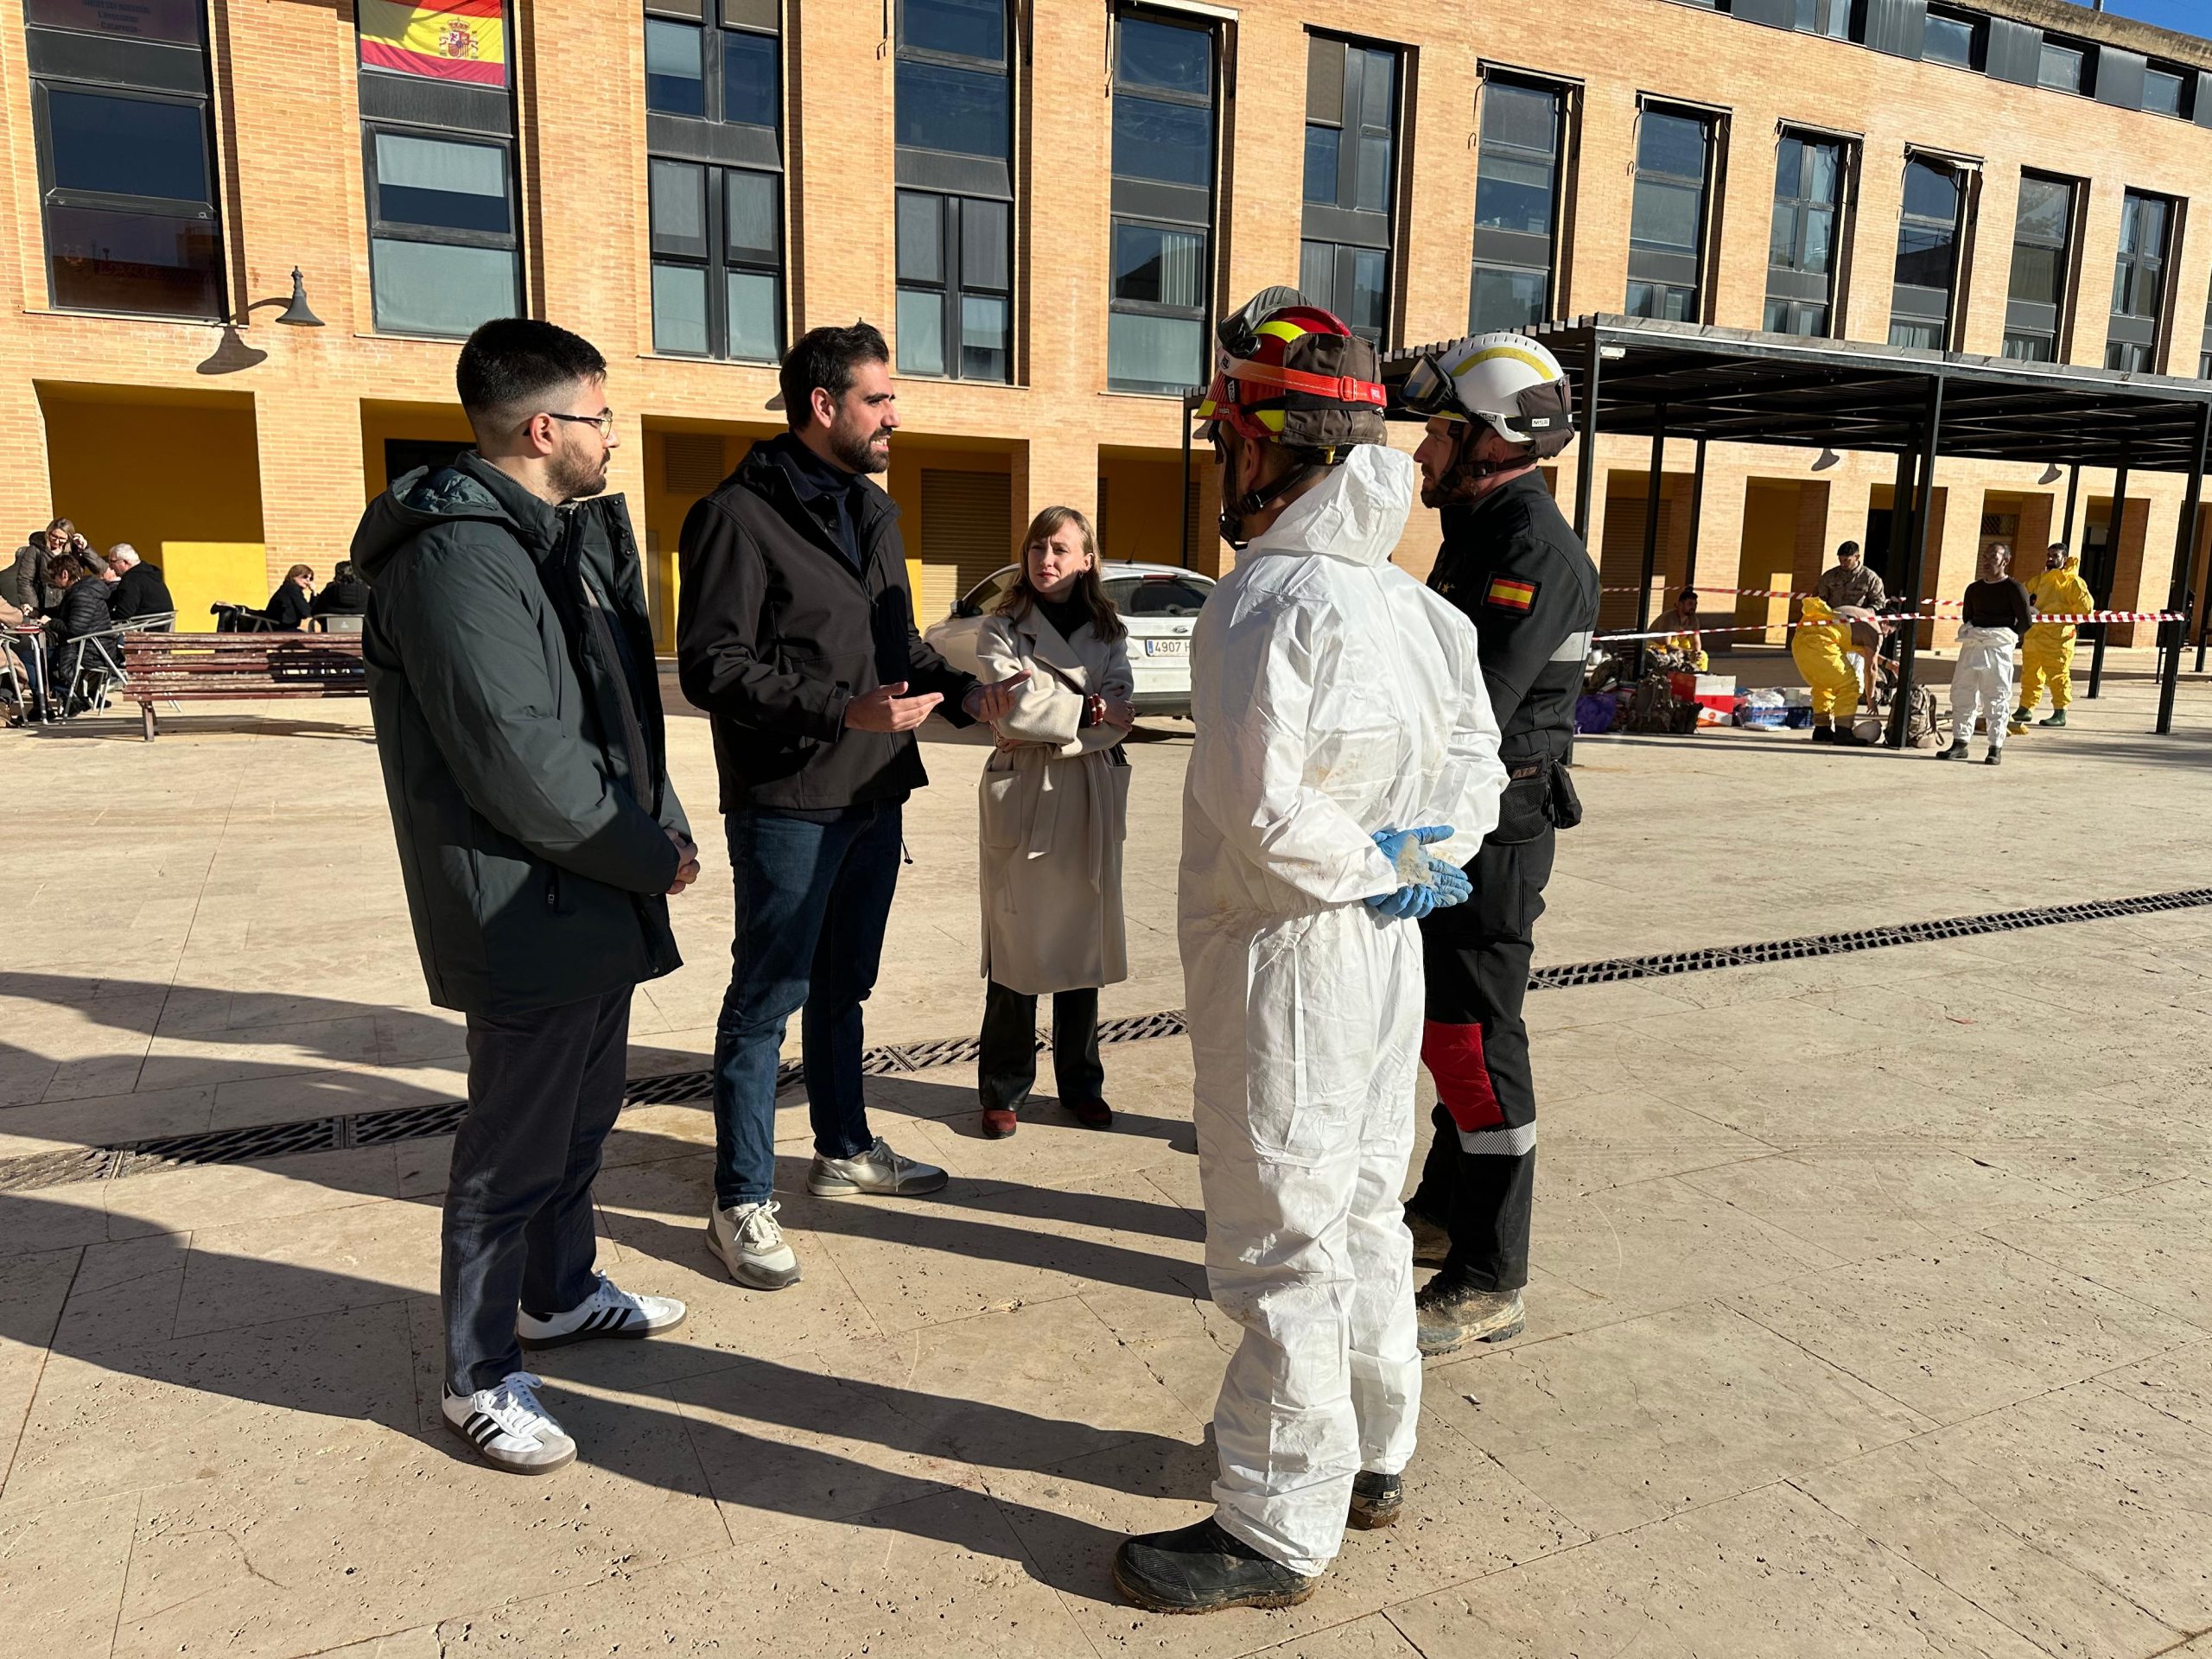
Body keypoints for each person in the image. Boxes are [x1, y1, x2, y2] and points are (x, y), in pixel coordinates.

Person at [1112, 290, 1504, 1614]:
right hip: (1382, 948)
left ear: (1271, 446)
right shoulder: (1413, 608)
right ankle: (1371, 1452)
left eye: (1230, 442)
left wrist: (1361, 865)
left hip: (1287, 959)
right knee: (1362, 1214)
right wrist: (1417, 858)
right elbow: (1478, 766)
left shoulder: (1263, 602)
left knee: (1283, 1226)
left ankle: (1277, 1523)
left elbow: (1259, 809)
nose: (1225, 470)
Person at [352, 318, 696, 1476]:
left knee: (582, 1123)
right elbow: (519, 758)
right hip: (524, 902)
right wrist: (651, 856)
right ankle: (479, 1370)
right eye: (602, 417)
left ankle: (559, 1293)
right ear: (547, 429)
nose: (615, 439)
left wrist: (662, 824)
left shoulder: (549, 536)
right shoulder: (457, 556)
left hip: (585, 894)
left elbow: (614, 713)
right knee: (510, 1152)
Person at [677, 321, 1027, 1292]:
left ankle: (843, 1150)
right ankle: (740, 1196)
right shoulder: (735, 517)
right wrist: (844, 709)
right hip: (789, 801)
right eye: (880, 398)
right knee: (766, 1000)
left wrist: (967, 697)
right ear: (823, 405)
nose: (895, 415)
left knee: (845, 989)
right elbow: (712, 668)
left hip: (875, 795)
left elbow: (898, 648)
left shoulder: (874, 513)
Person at [1391, 331, 1599, 1357]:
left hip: (1494, 831)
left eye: (1438, 432)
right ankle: (1441, 1214)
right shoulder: (1481, 529)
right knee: (1443, 1030)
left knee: (1476, 1039)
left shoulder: (1532, 551)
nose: (1422, 453)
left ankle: (1490, 1275)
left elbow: (1468, 706)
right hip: (1459, 822)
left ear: (1491, 440)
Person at [972, 505, 1135, 1139]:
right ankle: (1003, 1086)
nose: (1047, 559)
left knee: (1081, 950)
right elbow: (1013, 715)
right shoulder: (1000, 626)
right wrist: (1092, 711)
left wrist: (1076, 717)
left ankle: (1081, 1083)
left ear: (1087, 560)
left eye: (1062, 549)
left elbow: (1123, 710)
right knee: (1018, 948)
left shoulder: (1109, 628)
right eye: (1039, 546)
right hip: (1027, 797)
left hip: (1090, 796)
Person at [1939, 541, 2032, 766]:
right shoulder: (1974, 589)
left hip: (1998, 648)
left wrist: (2006, 639)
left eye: (1993, 557)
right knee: (1963, 692)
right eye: (1985, 557)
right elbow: (1968, 617)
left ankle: (1995, 747)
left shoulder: (2014, 588)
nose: (1988, 561)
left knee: (1996, 696)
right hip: (1973, 645)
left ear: (2005, 561)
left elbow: (2026, 622)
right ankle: (1960, 743)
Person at [2013, 541, 2094, 730]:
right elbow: (2023, 591)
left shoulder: (2072, 582)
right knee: (2030, 674)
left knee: (2058, 675)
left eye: (2055, 556)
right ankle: (2025, 707)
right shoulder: (2042, 578)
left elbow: (2086, 608)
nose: (2050, 559)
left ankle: (2060, 711)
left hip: (2058, 639)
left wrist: (2063, 616)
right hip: (2035, 636)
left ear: (2064, 559)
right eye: (2049, 555)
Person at [42, 550, 118, 707]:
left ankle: (72, 699)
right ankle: (76, 697)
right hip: (96, 646)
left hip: (91, 651)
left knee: (36, 659)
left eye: (53, 576)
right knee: (40, 658)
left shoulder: (81, 594)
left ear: (64, 574)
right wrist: (42, 612)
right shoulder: (85, 589)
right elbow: (68, 612)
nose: (52, 581)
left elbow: (74, 630)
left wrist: (50, 623)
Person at [107, 545, 175, 626]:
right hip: (160, 625)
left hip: (146, 628)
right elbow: (118, 596)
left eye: (112, 561)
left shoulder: (132, 579)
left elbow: (123, 613)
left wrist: (101, 617)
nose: (110, 567)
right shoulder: (148, 574)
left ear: (125, 562)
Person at [1817, 540, 1887, 612]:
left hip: (1858, 620)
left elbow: (1879, 603)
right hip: (1833, 619)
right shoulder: (1829, 576)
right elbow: (1819, 600)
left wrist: (1865, 613)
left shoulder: (1870, 578)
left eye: (1846, 560)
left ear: (1857, 557)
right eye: (1840, 560)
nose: (1842, 564)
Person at [312, 559, 372, 631]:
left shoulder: (329, 591)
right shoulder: (367, 591)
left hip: (331, 634)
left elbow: (315, 612)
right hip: (362, 635)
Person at [1657, 587, 1707, 671]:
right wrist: (1688, 652)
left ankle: (1698, 677)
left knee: (1703, 656)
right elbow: (1667, 645)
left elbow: (1696, 642)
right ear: (1680, 604)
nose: (1693, 607)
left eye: (1695, 604)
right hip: (1659, 646)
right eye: (1690, 604)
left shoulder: (1694, 620)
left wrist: (1696, 653)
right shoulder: (1669, 617)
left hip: (1678, 646)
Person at [265, 564, 315, 630]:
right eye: (305, 576)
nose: (308, 580)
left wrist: (314, 593)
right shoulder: (292, 589)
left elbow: (307, 612)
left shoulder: (288, 587)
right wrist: (314, 592)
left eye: (311, 578)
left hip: (282, 628)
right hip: (281, 629)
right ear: (294, 576)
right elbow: (306, 612)